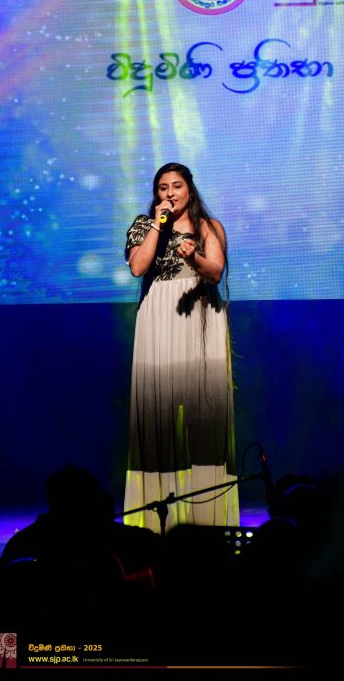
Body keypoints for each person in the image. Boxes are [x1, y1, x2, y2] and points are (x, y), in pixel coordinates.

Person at [123, 162, 239, 533]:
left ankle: (205, 521)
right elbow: (138, 267)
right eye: (163, 187)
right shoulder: (144, 225)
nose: (170, 193)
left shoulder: (209, 227)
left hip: (200, 318)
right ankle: (155, 524)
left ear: (189, 189)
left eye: (176, 186)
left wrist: (193, 257)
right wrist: (158, 225)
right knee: (159, 414)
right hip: (158, 318)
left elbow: (215, 272)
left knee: (203, 414)